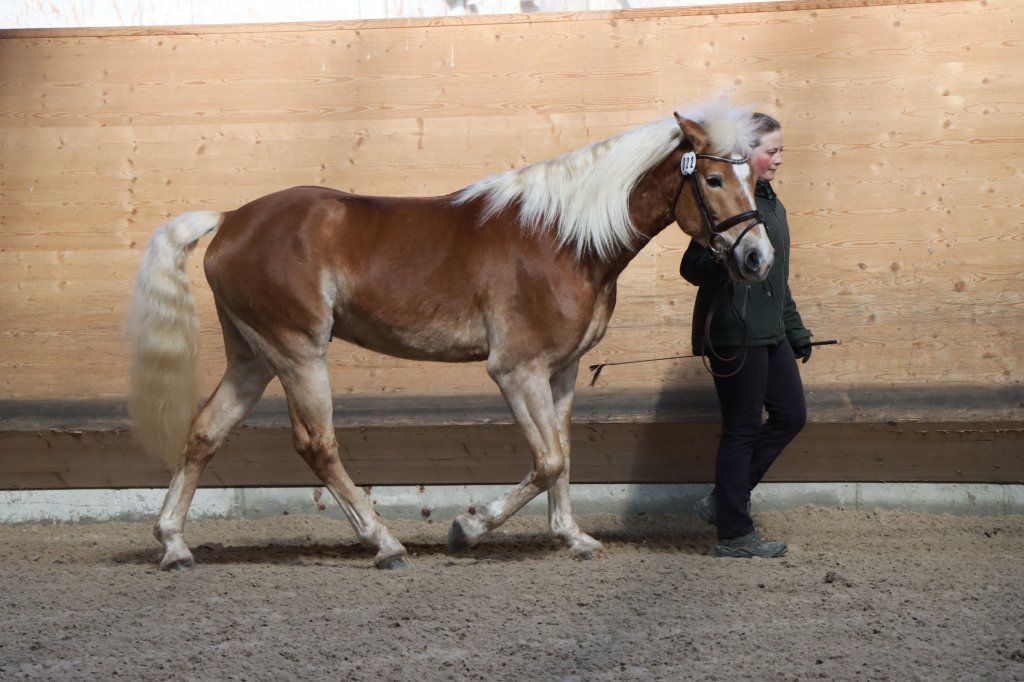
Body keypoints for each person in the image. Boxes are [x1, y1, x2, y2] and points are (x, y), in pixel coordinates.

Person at [679, 113, 812, 558]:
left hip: (769, 332)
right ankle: (734, 533)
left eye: (780, 151)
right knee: (742, 428)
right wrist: (724, 257)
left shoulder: (768, 201)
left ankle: (723, 500)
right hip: (733, 331)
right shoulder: (728, 202)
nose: (777, 160)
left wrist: (794, 330)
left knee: (791, 415)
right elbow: (690, 268)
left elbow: (779, 277)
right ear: (748, 153)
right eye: (770, 151)